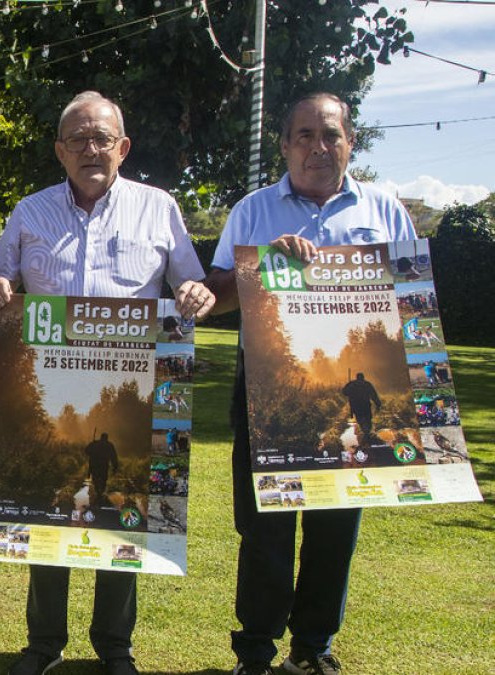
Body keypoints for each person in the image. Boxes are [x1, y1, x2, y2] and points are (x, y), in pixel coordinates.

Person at [0, 91, 215, 675]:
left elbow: (195, 288)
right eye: (78, 139)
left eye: (102, 138)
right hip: (51, 388)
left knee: (125, 511)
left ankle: (116, 646)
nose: (91, 149)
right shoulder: (29, 212)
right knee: (47, 508)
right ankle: (43, 643)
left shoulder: (159, 208)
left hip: (131, 392)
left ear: (123, 147)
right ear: (60, 150)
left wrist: (195, 295)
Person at [204, 93, 416, 675]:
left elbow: (413, 297)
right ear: (285, 144)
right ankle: (255, 651)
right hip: (270, 388)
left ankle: (313, 647)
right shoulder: (254, 210)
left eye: (330, 135)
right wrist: (264, 263)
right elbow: (215, 296)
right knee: (264, 528)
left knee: (335, 526)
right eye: (304, 135)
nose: (317, 147)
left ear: (350, 142)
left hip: (357, 380)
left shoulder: (384, 209)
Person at [340, 373, 381, 439]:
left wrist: (349, 387)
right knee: (368, 419)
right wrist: (378, 404)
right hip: (366, 405)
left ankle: (366, 433)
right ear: (363, 377)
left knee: (360, 419)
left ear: (357, 377)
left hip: (356, 406)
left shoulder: (352, 384)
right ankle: (367, 433)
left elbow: (344, 392)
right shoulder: (367, 384)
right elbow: (374, 395)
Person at [85, 432, 120, 505]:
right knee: (103, 479)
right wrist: (115, 466)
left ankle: (98, 492)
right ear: (106, 438)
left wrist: (92, 444)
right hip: (104, 466)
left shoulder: (95, 444)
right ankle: (100, 493)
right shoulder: (109, 445)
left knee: (96, 478)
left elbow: (87, 451)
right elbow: (113, 456)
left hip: (95, 465)